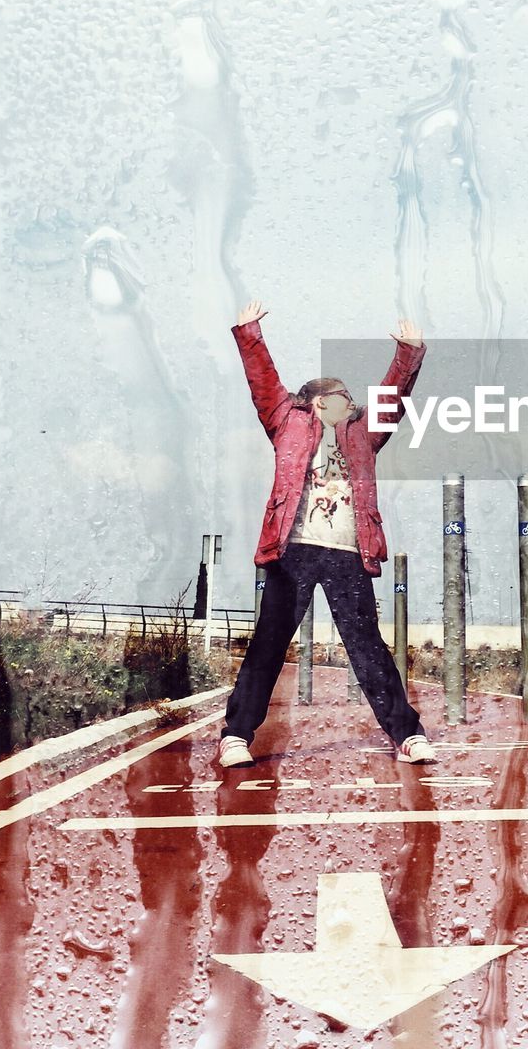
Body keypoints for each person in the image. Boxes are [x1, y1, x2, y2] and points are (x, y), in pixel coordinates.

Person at [217, 299, 436, 767]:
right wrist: (248, 333)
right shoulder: (286, 422)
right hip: (293, 549)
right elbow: (263, 383)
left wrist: (409, 352)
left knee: (366, 646)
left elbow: (393, 397)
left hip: (346, 551)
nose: (351, 402)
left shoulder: (363, 432)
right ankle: (236, 735)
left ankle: (407, 735)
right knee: (270, 643)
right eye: (342, 397)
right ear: (316, 400)